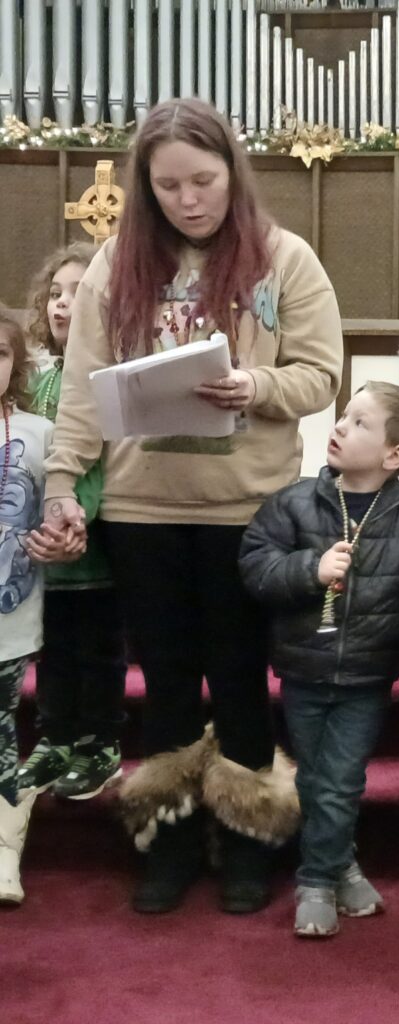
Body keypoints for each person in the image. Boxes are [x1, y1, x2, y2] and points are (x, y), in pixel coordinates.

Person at [40, 98, 343, 916]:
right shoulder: (114, 264)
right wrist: (63, 481)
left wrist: (259, 385)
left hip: (248, 511)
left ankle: (247, 841)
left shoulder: (285, 257)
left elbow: (321, 375)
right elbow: (79, 394)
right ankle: (168, 840)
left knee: (242, 679)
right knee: (168, 682)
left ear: (231, 172)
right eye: (168, 185)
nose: (189, 199)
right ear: (146, 185)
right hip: (143, 510)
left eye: (203, 180)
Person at [239, 381, 399, 938]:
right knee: (318, 779)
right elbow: (255, 567)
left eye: (359, 423)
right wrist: (310, 569)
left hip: (366, 674)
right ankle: (344, 866)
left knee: (341, 780)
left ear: (395, 455)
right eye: (343, 416)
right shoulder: (295, 501)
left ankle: (315, 880)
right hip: (303, 669)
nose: (338, 426)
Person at [16, 244, 128, 801]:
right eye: (56, 294)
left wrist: (84, 513)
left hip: (101, 541)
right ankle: (55, 739)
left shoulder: (114, 381)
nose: (63, 305)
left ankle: (100, 744)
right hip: (42, 544)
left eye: (79, 294)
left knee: (98, 647)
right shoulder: (31, 383)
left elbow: (119, 460)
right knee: (52, 645)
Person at [0, 310, 62, 903]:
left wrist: (56, 537)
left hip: (9, 614)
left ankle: (3, 852)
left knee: (0, 729)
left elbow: (55, 511)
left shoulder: (38, 433)